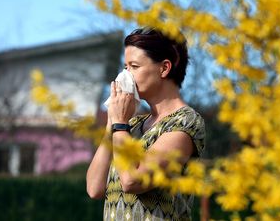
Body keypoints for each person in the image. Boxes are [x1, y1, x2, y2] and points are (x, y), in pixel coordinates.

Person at [86, 28, 205, 221]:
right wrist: (112, 123)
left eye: (134, 66)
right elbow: (94, 188)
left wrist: (120, 125)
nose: (126, 76)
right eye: (125, 67)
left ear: (164, 68)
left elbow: (132, 180)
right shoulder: (130, 125)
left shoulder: (185, 123)